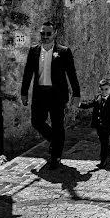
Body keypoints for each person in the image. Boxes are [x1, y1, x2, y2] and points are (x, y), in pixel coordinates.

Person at [21, 21, 81, 170]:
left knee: (58, 125)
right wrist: (24, 92)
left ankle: (56, 156)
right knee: (36, 121)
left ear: (55, 34)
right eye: (43, 33)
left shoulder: (64, 51)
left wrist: (76, 94)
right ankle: (55, 141)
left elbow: (71, 74)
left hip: (57, 95)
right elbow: (28, 73)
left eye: (48, 33)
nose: (45, 36)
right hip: (40, 94)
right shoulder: (34, 50)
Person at [79, 78, 110, 168]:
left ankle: (103, 160)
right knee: (103, 141)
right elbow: (89, 104)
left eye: (106, 89)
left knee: (104, 142)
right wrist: (80, 104)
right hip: (99, 125)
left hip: (108, 126)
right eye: (102, 89)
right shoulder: (98, 97)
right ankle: (107, 155)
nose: (104, 91)